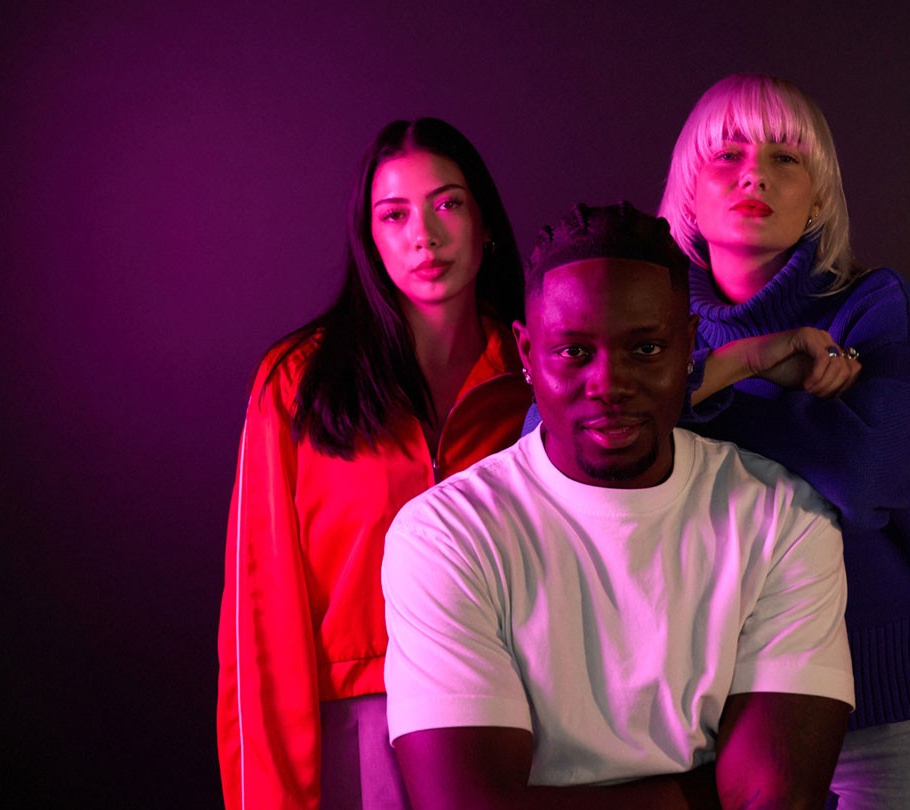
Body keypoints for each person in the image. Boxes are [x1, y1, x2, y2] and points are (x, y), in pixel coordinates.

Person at [381, 202, 855, 810]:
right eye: (574, 353)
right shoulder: (446, 536)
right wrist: (697, 796)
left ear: (689, 345)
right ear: (526, 354)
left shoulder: (782, 520)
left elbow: (775, 800)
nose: (610, 384)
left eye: (647, 349)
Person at [658, 74, 910, 809]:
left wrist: (696, 404)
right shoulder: (651, 330)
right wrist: (750, 363)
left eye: (788, 159)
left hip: (892, 697)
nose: (755, 172)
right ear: (687, 190)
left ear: (818, 198)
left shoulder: (876, 306)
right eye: (727, 154)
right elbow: (557, 442)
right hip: (730, 717)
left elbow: (868, 474)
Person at [216, 118, 531, 810]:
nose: (425, 235)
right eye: (395, 215)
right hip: (359, 727)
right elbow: (259, 617)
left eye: (447, 204)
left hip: (515, 718)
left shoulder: (539, 375)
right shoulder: (297, 383)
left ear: (486, 223)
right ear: (371, 239)